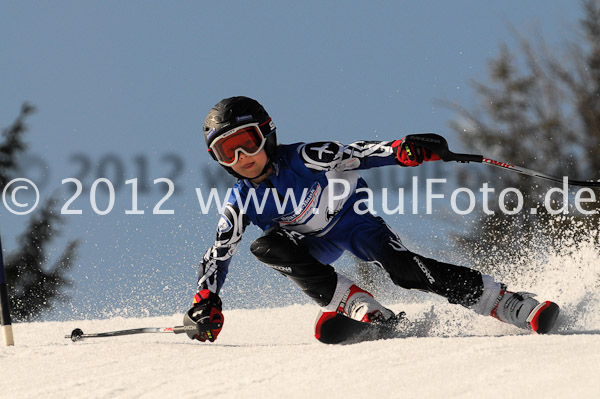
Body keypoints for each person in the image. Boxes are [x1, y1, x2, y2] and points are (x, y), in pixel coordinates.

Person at [183, 96, 559, 343]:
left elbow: (357, 153)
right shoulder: (240, 200)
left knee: (404, 270)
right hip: (313, 245)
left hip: (354, 223)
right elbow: (219, 254)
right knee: (265, 246)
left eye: (247, 142)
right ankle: (357, 305)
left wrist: (403, 150)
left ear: (266, 133)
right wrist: (207, 300)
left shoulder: (306, 157)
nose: (242, 157)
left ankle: (506, 302)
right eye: (227, 152)